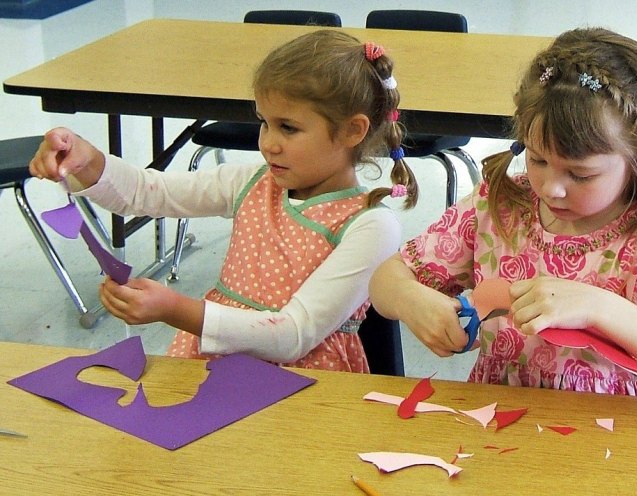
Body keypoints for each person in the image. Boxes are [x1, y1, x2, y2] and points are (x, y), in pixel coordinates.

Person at [369, 27, 637, 398]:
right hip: (498, 429)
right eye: (538, 159)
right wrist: (411, 300)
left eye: (580, 174)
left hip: (611, 438)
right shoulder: (500, 206)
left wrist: (600, 308)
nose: (551, 188)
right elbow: (385, 280)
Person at [30, 30, 418, 372]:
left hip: (306, 386)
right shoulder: (252, 183)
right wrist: (87, 157)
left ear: (353, 131)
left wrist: (173, 309)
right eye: (264, 122)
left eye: (288, 127)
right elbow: (147, 193)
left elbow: (292, 336)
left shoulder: (370, 225)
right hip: (212, 369)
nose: (268, 142)